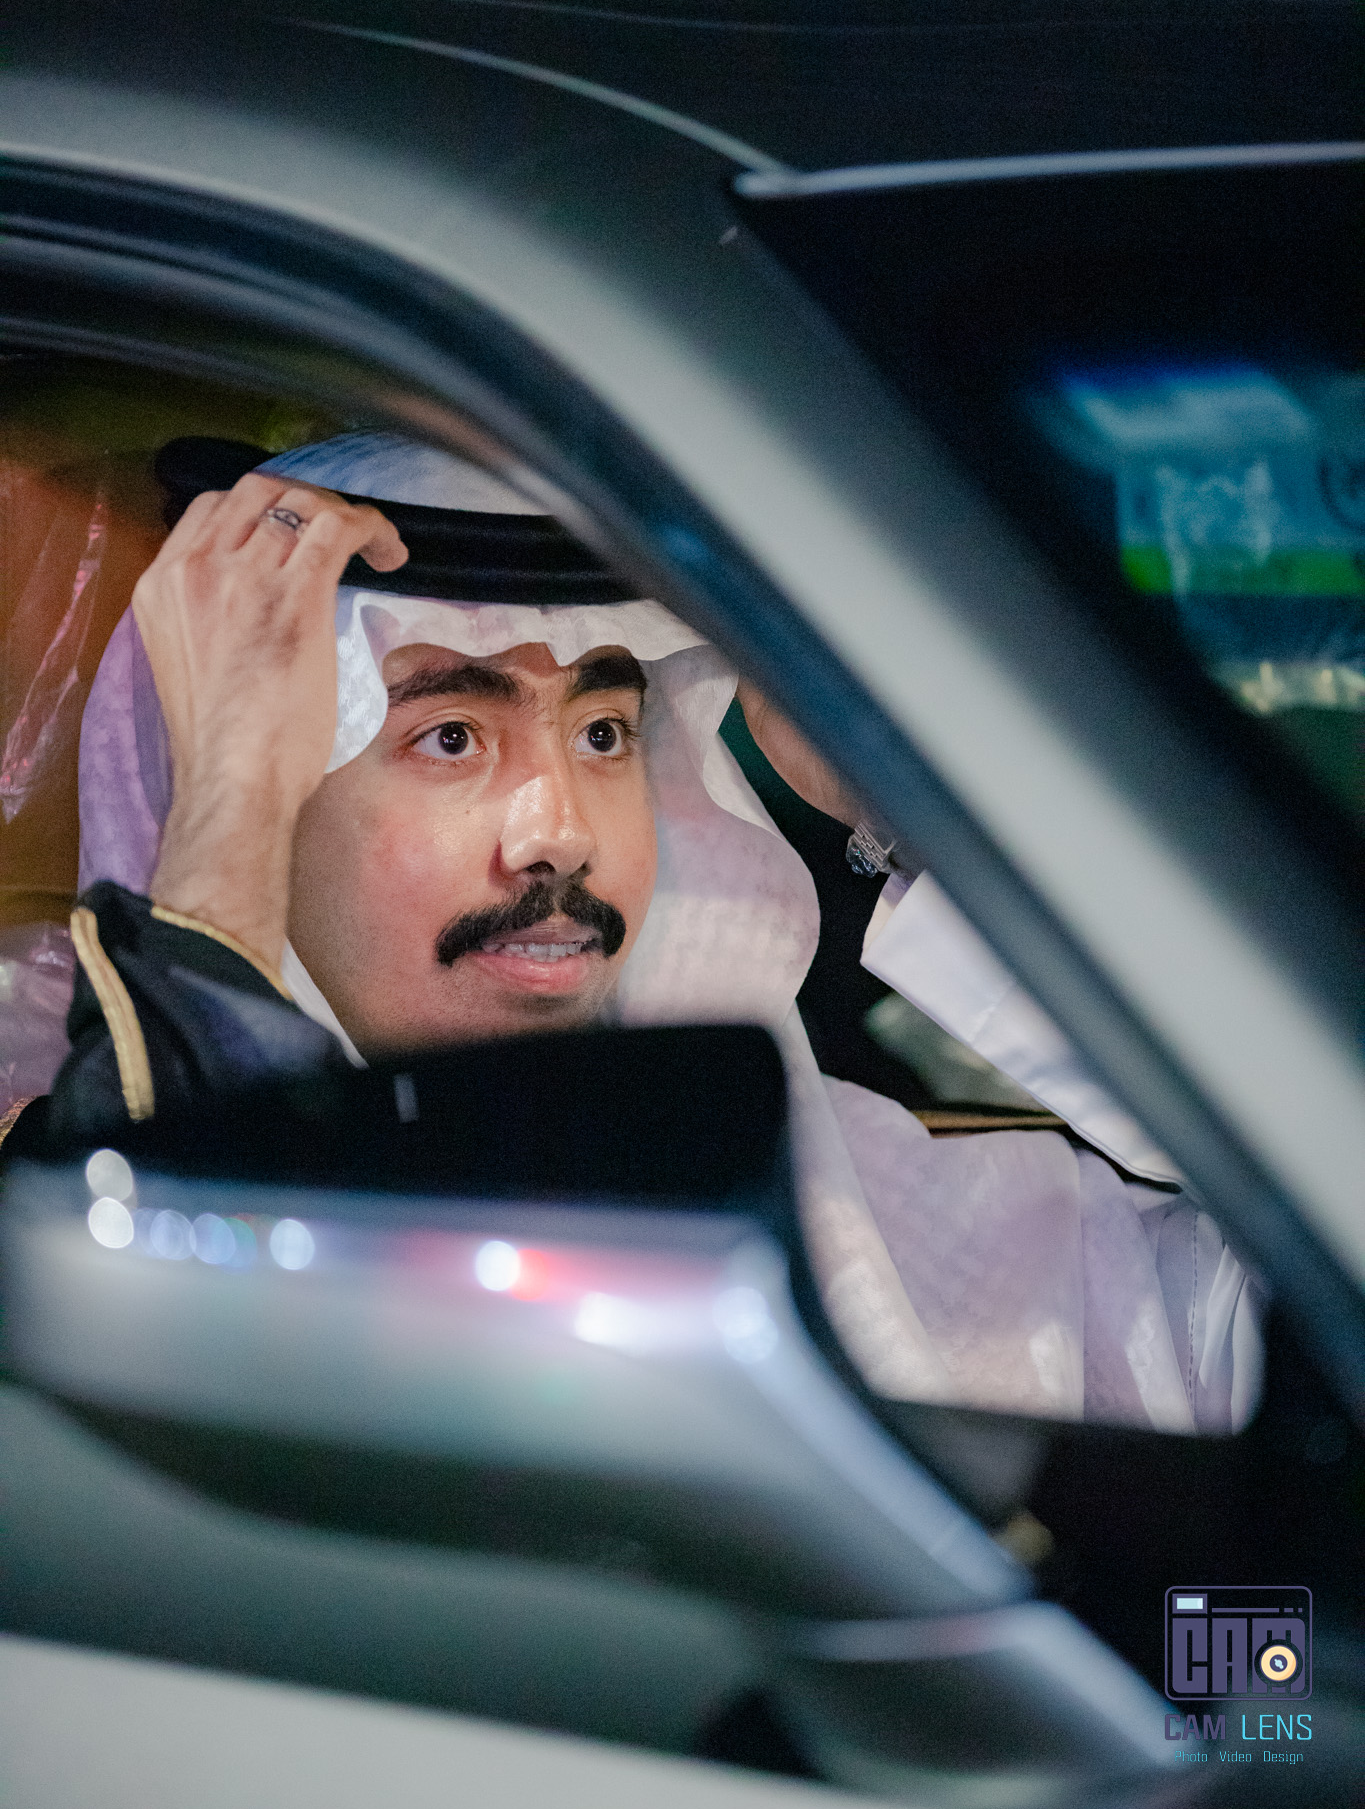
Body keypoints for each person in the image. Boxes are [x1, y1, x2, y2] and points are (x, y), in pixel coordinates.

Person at [27, 432, 1261, 1430]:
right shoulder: (51, 1223)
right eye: (450, 737)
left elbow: (1309, 1277)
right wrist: (227, 808)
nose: (560, 833)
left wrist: (914, 810)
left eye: (605, 732)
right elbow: (175, 1403)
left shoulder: (874, 1206)